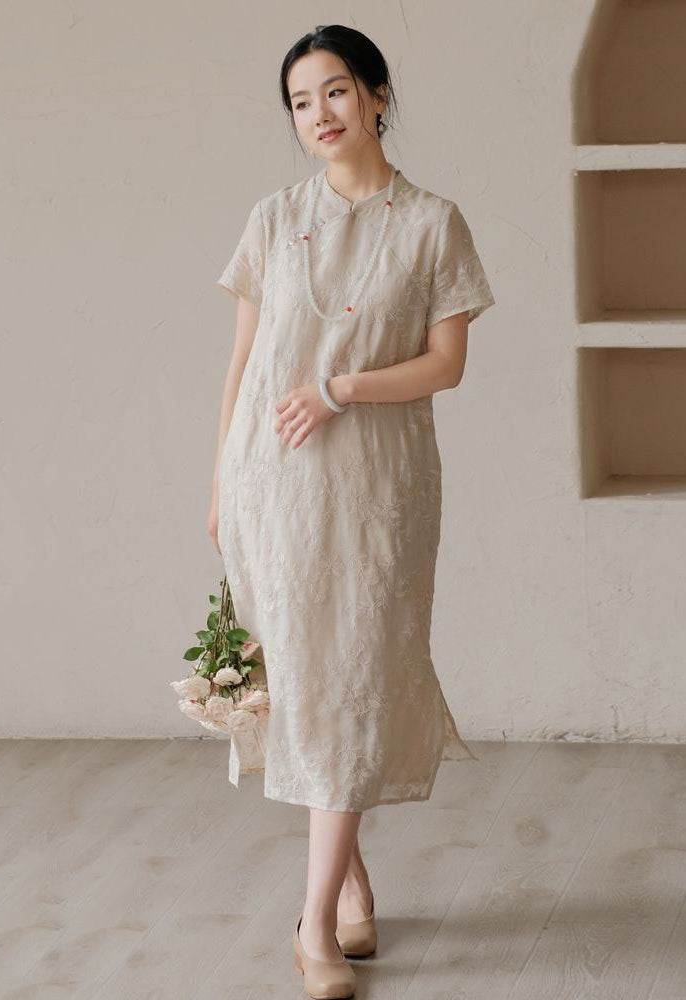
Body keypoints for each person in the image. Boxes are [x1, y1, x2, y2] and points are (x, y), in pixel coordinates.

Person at [209, 23, 495, 999]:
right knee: (307, 685)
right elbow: (243, 365)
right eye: (300, 102)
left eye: (334, 91)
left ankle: (314, 918)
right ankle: (338, 900)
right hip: (273, 489)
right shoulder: (271, 219)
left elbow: (447, 365)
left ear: (376, 94)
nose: (318, 115)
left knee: (354, 676)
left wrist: (341, 389)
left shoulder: (434, 224)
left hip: (378, 491)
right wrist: (220, 484)